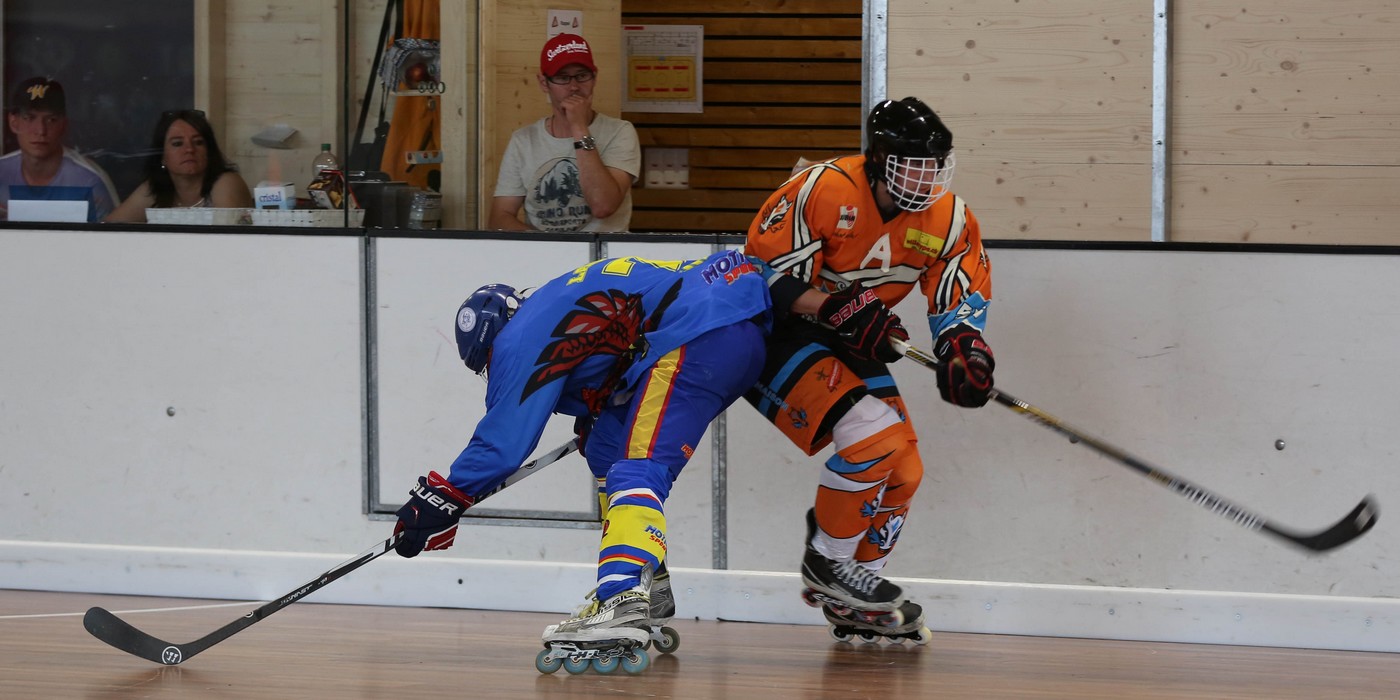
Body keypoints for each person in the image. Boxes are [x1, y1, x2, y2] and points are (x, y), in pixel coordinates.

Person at [392, 249, 771, 673]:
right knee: (610, 451)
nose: (497, 370)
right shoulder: (553, 301)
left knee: (636, 469)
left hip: (699, 335)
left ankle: (622, 597)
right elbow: (621, 344)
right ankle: (647, 586)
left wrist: (443, 497)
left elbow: (505, 443)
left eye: (490, 365)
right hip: (737, 326)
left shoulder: (517, 337)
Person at [743, 97, 996, 643]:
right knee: (874, 439)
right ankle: (829, 563)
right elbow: (755, 277)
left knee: (905, 470)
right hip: (771, 335)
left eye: (935, 166)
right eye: (913, 165)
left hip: (847, 338)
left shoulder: (950, 218)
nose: (927, 178)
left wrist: (966, 348)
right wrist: (835, 307)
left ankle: (858, 587)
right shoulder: (822, 188)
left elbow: (959, 298)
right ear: (879, 159)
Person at [488, 33, 640, 232]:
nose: (574, 86)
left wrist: (579, 127)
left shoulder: (620, 132)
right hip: (542, 249)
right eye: (562, 78)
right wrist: (548, 245)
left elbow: (603, 206)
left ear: (595, 78)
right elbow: (499, 218)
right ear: (544, 83)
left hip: (602, 251)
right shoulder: (523, 140)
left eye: (582, 76)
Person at [0, 77, 119, 222]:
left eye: (51, 120)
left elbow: (114, 235)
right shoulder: (2, 172)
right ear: (13, 123)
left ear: (63, 125)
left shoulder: (90, 180)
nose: (41, 130)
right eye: (29, 118)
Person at [104, 109, 253, 223]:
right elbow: (107, 230)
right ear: (162, 157)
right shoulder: (155, 188)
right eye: (177, 143)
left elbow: (226, 241)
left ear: (209, 151)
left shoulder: (226, 182)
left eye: (198, 142)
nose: (189, 149)